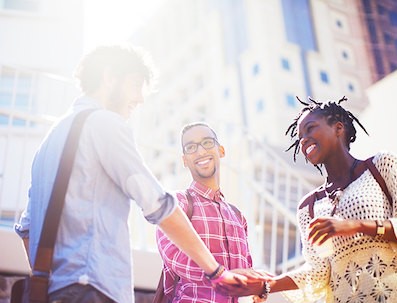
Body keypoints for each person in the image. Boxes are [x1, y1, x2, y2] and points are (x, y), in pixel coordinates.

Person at [13, 45, 246, 303]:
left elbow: (27, 230)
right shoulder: (106, 123)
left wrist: (50, 281)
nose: (141, 98)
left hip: (54, 292)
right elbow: (157, 204)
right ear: (110, 77)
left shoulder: (49, 141)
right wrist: (215, 272)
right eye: (136, 84)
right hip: (94, 289)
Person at [214, 96, 397, 302]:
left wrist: (356, 226)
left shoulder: (382, 165)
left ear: (338, 128)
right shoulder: (308, 206)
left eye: (310, 129)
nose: (303, 140)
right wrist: (266, 285)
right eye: (299, 137)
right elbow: (318, 271)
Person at [156, 122, 258, 302]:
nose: (201, 151)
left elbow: (247, 269)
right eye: (191, 147)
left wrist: (257, 285)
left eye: (207, 143)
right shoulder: (176, 203)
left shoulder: (238, 216)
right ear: (184, 160)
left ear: (221, 150)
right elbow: (174, 256)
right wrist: (221, 276)